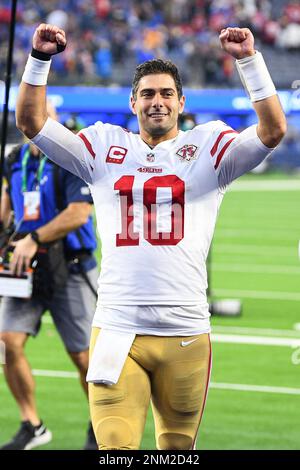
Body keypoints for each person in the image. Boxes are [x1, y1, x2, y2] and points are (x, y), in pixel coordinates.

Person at [15, 23, 286, 450]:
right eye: (147, 94)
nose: (156, 102)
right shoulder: (104, 147)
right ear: (133, 102)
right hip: (118, 328)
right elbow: (31, 122)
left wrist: (249, 62)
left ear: (181, 101)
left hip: (186, 331)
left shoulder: (209, 146)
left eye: (164, 94)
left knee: (176, 455)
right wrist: (40, 59)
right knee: (116, 453)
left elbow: (272, 131)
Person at [0, 111, 99, 450]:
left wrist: (35, 238)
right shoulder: (15, 160)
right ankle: (32, 424)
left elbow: (79, 212)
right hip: (23, 267)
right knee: (8, 342)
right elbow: (6, 209)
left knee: (85, 357)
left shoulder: (69, 158)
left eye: (43, 118)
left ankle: (101, 425)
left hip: (70, 266)